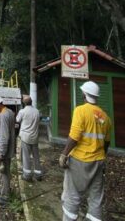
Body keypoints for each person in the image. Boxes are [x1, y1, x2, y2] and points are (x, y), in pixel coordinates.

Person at [59, 81, 111, 221]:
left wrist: (64, 154)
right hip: (98, 161)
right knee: (96, 198)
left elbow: (74, 137)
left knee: (72, 195)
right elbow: (107, 142)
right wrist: (102, 158)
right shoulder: (105, 117)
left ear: (84, 94)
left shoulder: (80, 110)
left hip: (80, 160)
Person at [16, 95, 42, 181]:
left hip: (25, 137)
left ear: (24, 103)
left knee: (26, 156)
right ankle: (38, 175)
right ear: (31, 102)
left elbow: (17, 120)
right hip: (35, 137)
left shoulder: (22, 111)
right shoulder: (37, 111)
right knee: (36, 156)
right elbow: (39, 119)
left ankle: (27, 175)